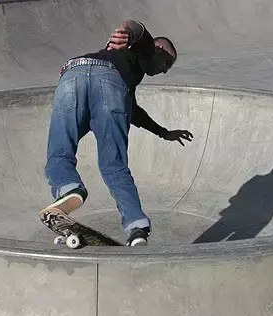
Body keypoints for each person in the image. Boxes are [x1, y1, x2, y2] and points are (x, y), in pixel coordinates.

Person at [40, 20, 193, 246]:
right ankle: (137, 227)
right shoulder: (144, 50)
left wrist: (162, 132)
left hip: (72, 75)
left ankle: (69, 187)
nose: (164, 70)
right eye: (167, 63)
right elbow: (138, 30)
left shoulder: (130, 73)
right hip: (108, 81)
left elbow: (133, 111)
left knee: (59, 152)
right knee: (114, 164)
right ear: (158, 50)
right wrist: (127, 32)